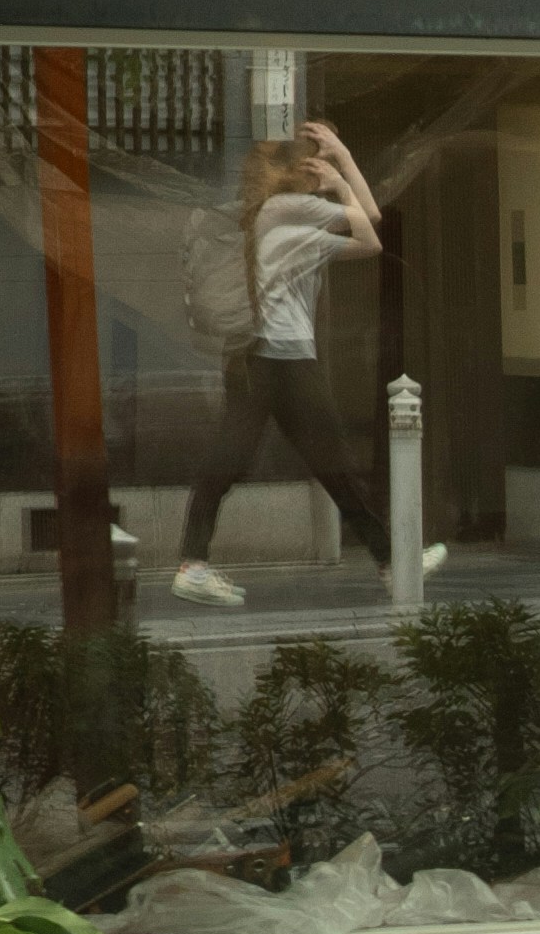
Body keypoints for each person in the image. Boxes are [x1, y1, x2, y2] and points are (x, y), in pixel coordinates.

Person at [172, 118, 440, 602]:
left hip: (254, 360)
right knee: (328, 463)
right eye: (317, 161)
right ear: (303, 169)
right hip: (285, 361)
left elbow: (366, 222)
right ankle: (391, 562)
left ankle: (194, 563)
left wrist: (339, 165)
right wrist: (342, 168)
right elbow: (372, 228)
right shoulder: (289, 210)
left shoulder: (274, 218)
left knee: (241, 461)